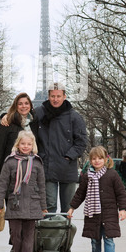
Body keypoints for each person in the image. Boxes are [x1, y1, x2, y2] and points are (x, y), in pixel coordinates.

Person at [67, 146, 126, 252]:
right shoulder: (87, 176)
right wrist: (72, 207)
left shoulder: (112, 174)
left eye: (100, 158)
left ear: (106, 159)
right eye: (94, 159)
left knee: (108, 239)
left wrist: (122, 209)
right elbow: (80, 193)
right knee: (95, 240)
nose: (97, 161)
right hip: (92, 214)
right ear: (90, 160)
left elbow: (121, 192)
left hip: (109, 213)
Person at [0, 130, 47, 252]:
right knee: (16, 235)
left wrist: (43, 206)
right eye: (23, 143)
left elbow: (42, 185)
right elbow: (3, 183)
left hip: (33, 203)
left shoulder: (37, 162)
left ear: (33, 145)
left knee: (29, 236)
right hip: (14, 203)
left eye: (29, 144)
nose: (25, 146)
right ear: (18, 144)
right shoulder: (10, 162)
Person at [35, 83, 88, 213]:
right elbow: (20, 114)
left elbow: (81, 142)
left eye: (58, 96)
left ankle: (65, 233)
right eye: (53, 96)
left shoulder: (74, 116)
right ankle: (49, 233)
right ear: (48, 96)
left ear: (64, 96)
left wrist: (69, 156)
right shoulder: (38, 113)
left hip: (67, 167)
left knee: (67, 208)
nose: (55, 99)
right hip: (47, 167)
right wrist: (5, 116)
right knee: (49, 206)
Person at [0, 92, 38, 191]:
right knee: (12, 205)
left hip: (31, 173)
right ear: (15, 106)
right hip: (11, 173)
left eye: (26, 103)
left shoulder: (35, 123)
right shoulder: (7, 124)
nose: (23, 106)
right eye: (20, 104)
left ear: (31, 106)